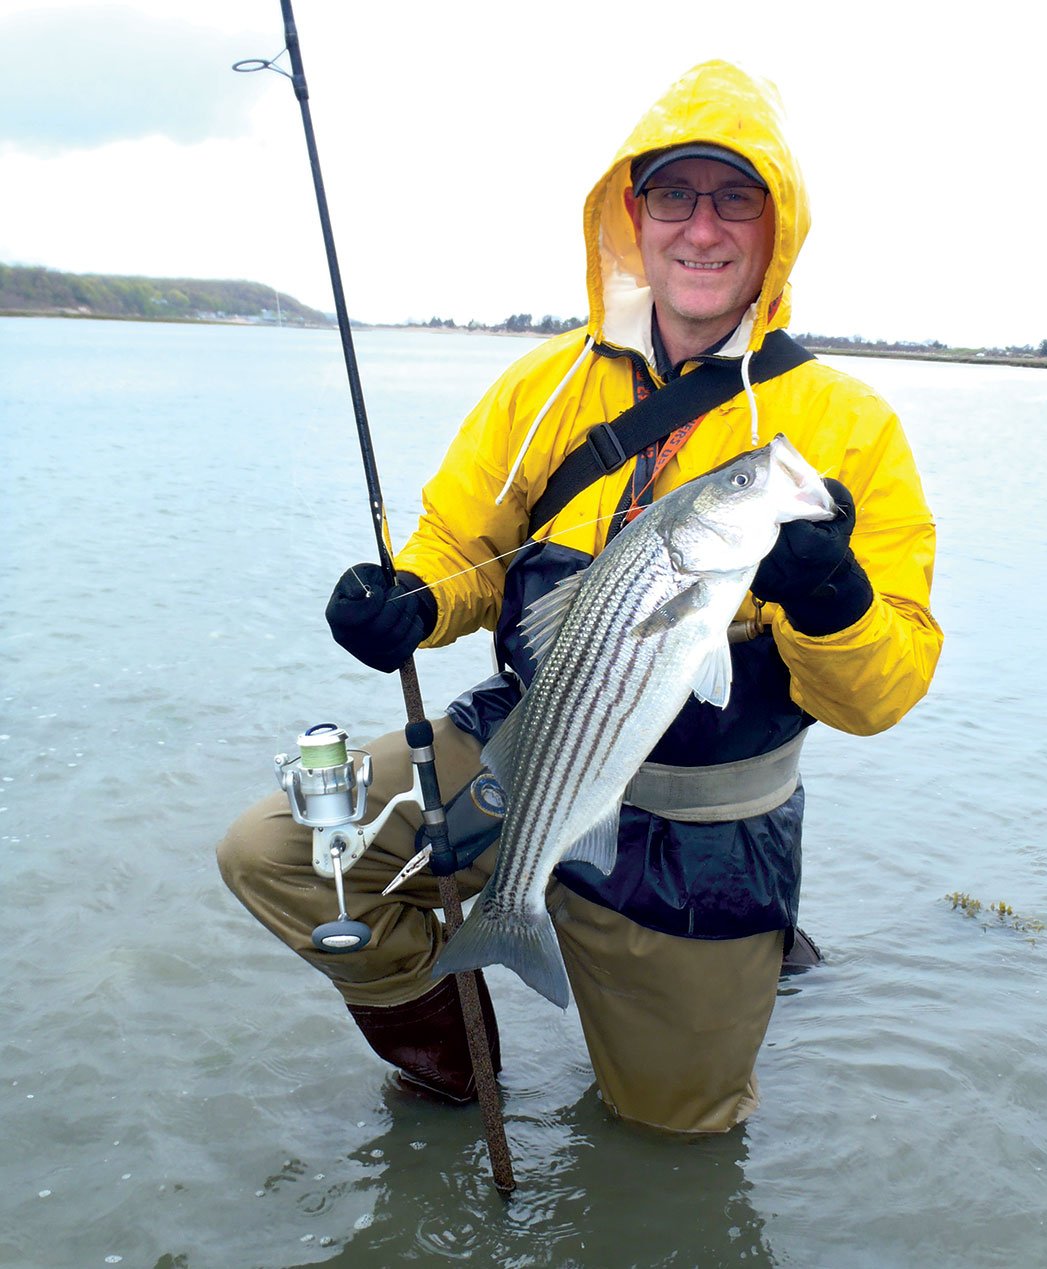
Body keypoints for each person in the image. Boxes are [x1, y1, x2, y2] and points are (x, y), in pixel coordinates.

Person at [217, 60, 942, 1133]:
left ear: (777, 225)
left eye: (735, 196)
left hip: (705, 825)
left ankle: (724, 975)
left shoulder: (850, 425)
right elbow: (466, 538)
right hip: (534, 744)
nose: (702, 228)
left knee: (676, 1132)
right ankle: (457, 1060)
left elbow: (885, 694)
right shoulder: (546, 384)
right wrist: (410, 596)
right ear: (631, 215)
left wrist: (833, 599)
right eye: (675, 196)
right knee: (278, 853)